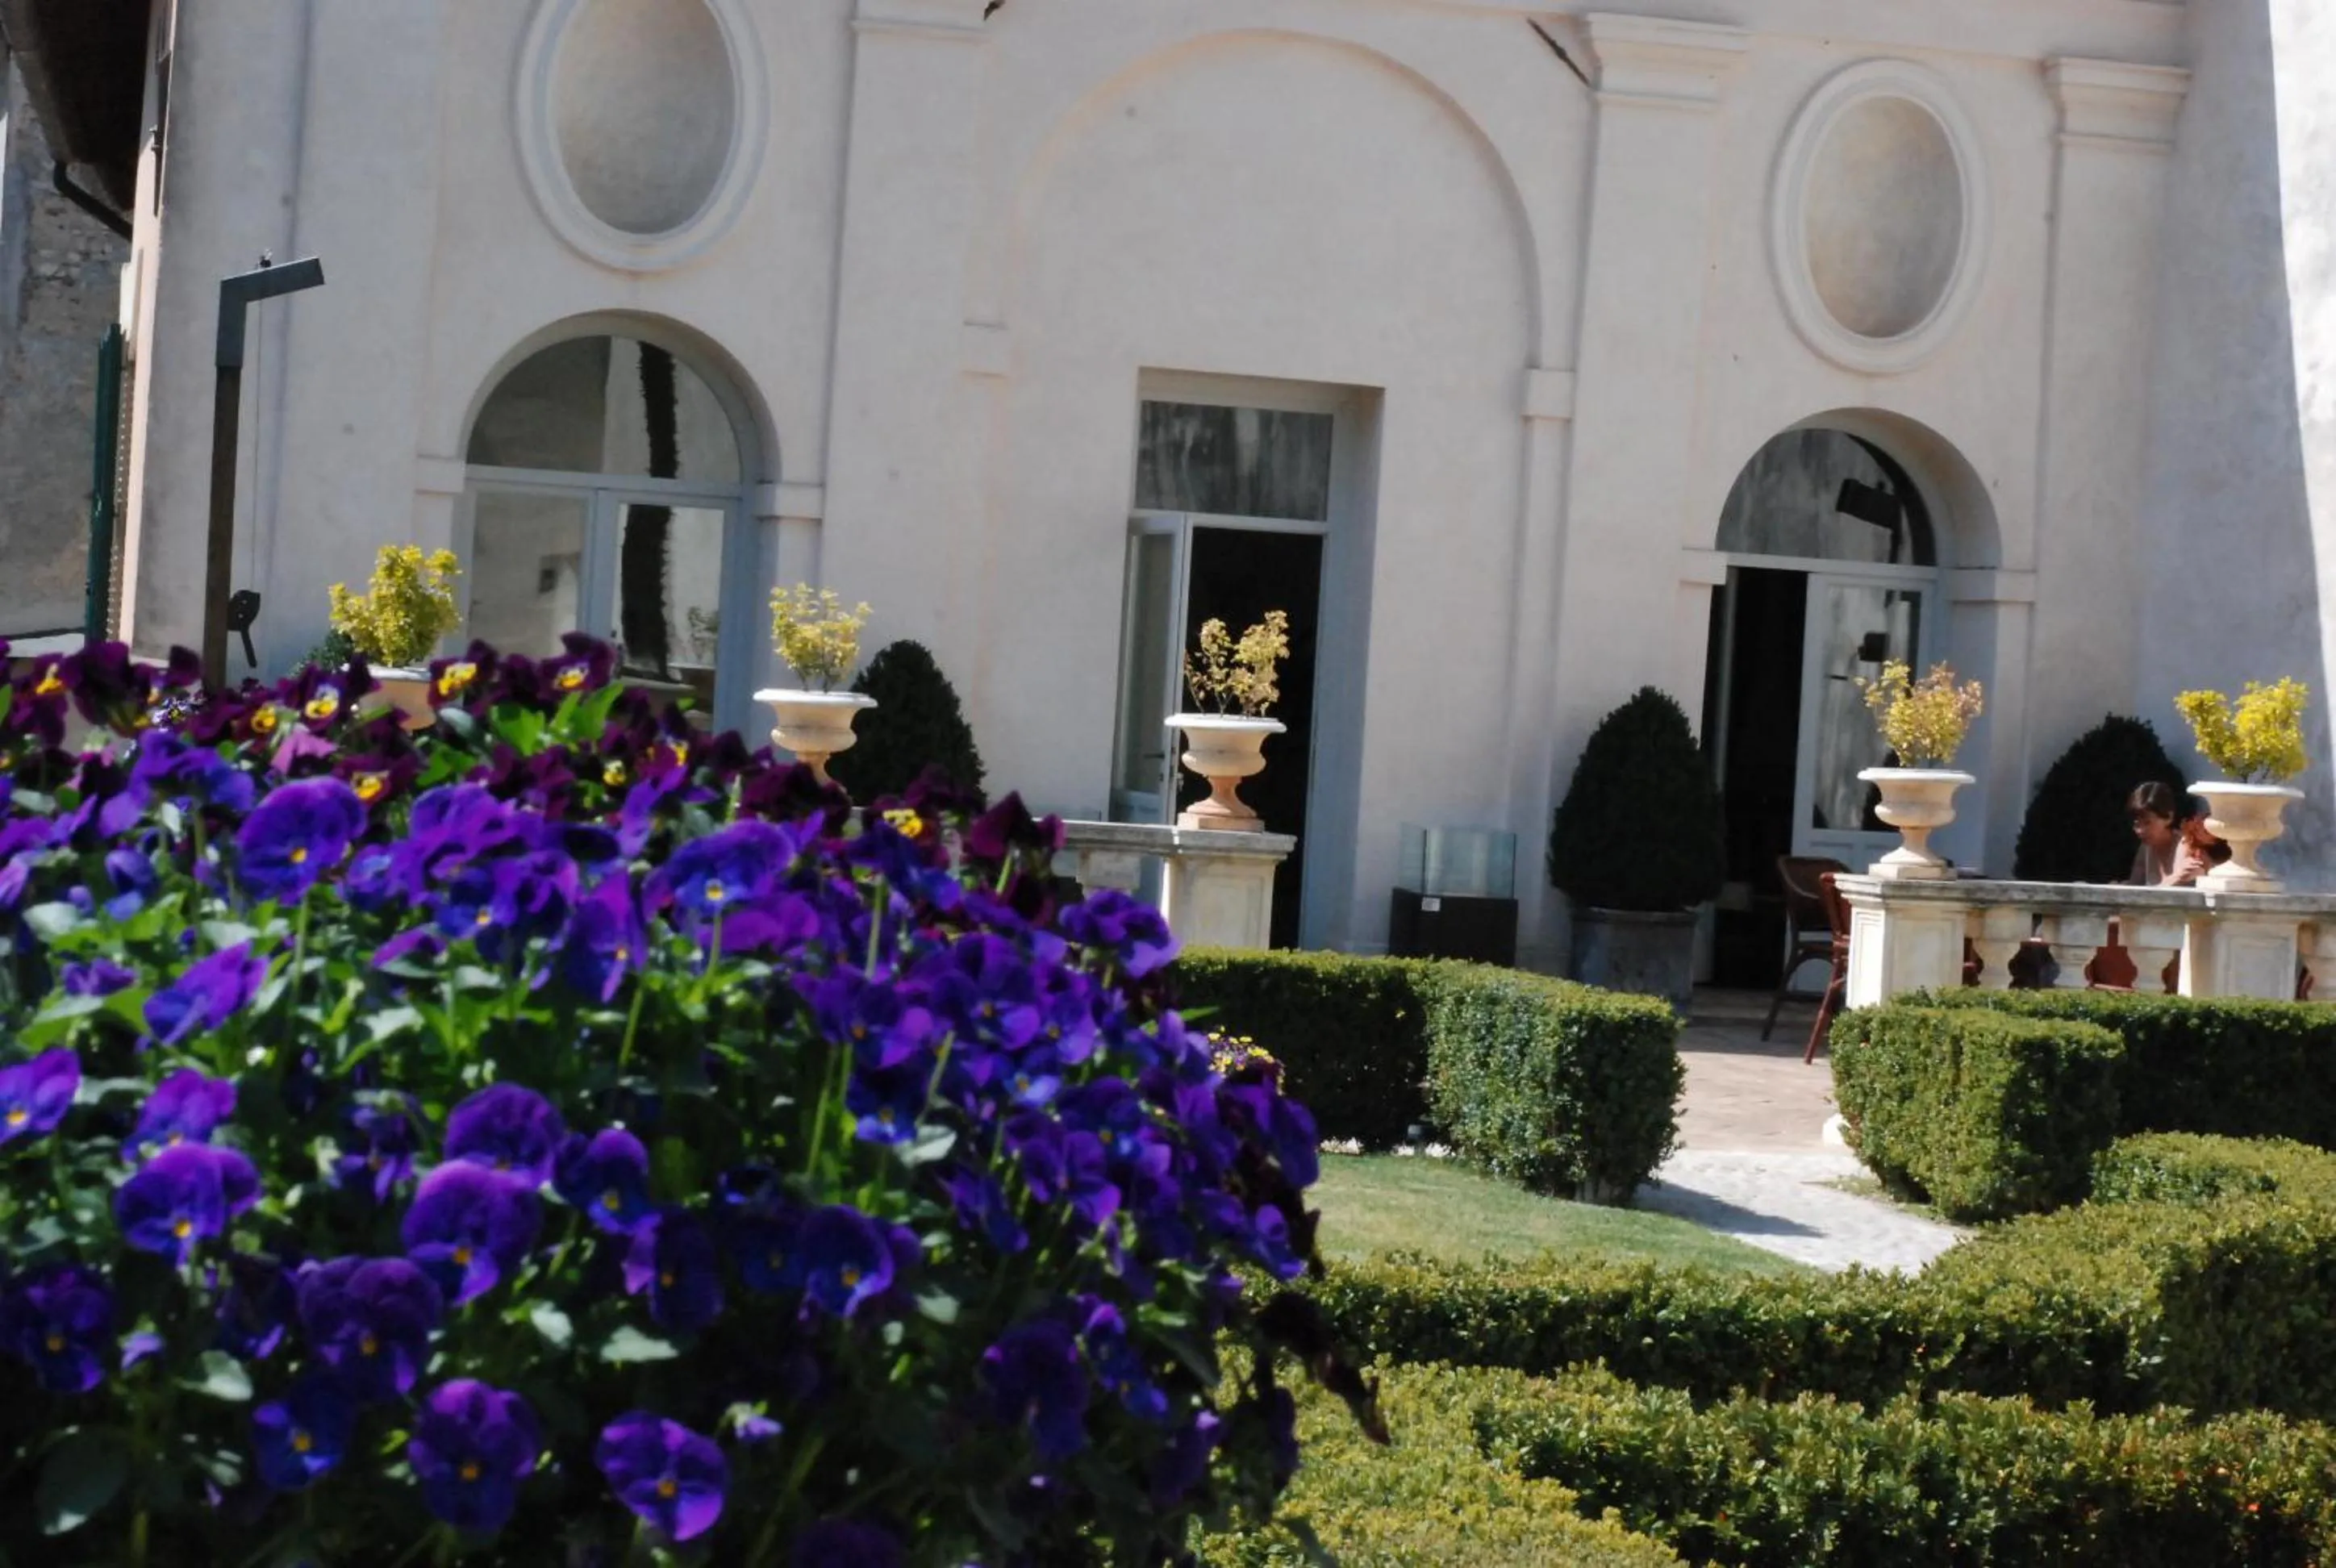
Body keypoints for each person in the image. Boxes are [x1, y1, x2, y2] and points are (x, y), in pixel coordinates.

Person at [2126, 782, 2182, 886]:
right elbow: (2134, 886)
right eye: (2136, 824)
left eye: (2148, 823)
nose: (2140, 830)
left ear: (2169, 817)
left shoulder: (2186, 844)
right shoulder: (2146, 847)